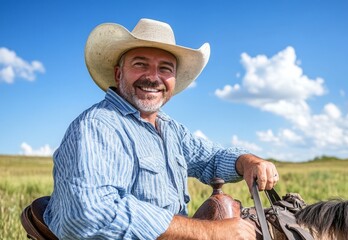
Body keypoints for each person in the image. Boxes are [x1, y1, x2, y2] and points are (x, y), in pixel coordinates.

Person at [44, 18, 279, 239]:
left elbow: (210, 158)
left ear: (174, 79)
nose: (153, 77)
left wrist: (246, 161)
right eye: (140, 64)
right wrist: (208, 233)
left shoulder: (168, 128)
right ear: (118, 73)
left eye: (165, 68)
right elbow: (90, 214)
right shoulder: (98, 126)